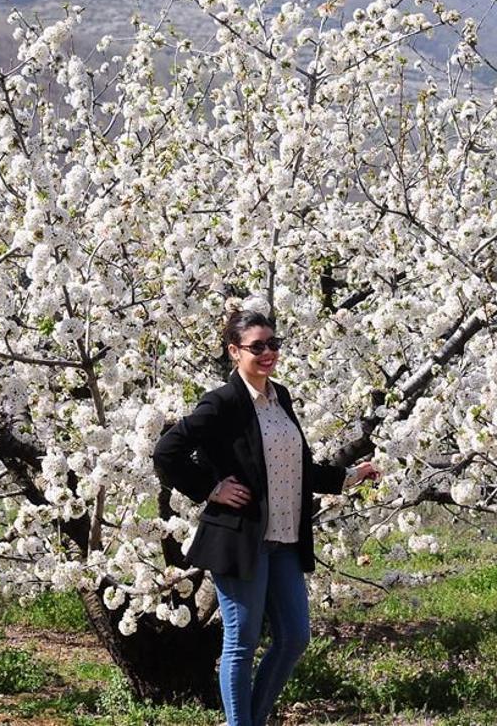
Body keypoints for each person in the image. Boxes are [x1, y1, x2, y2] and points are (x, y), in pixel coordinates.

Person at [153, 304, 379, 726]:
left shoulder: (281, 398)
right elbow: (167, 451)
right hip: (241, 541)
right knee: (242, 641)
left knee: (294, 636)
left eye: (273, 344)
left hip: (284, 542)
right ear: (234, 351)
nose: (268, 353)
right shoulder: (223, 403)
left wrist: (348, 477)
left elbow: (296, 466)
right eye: (257, 346)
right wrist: (210, 488)